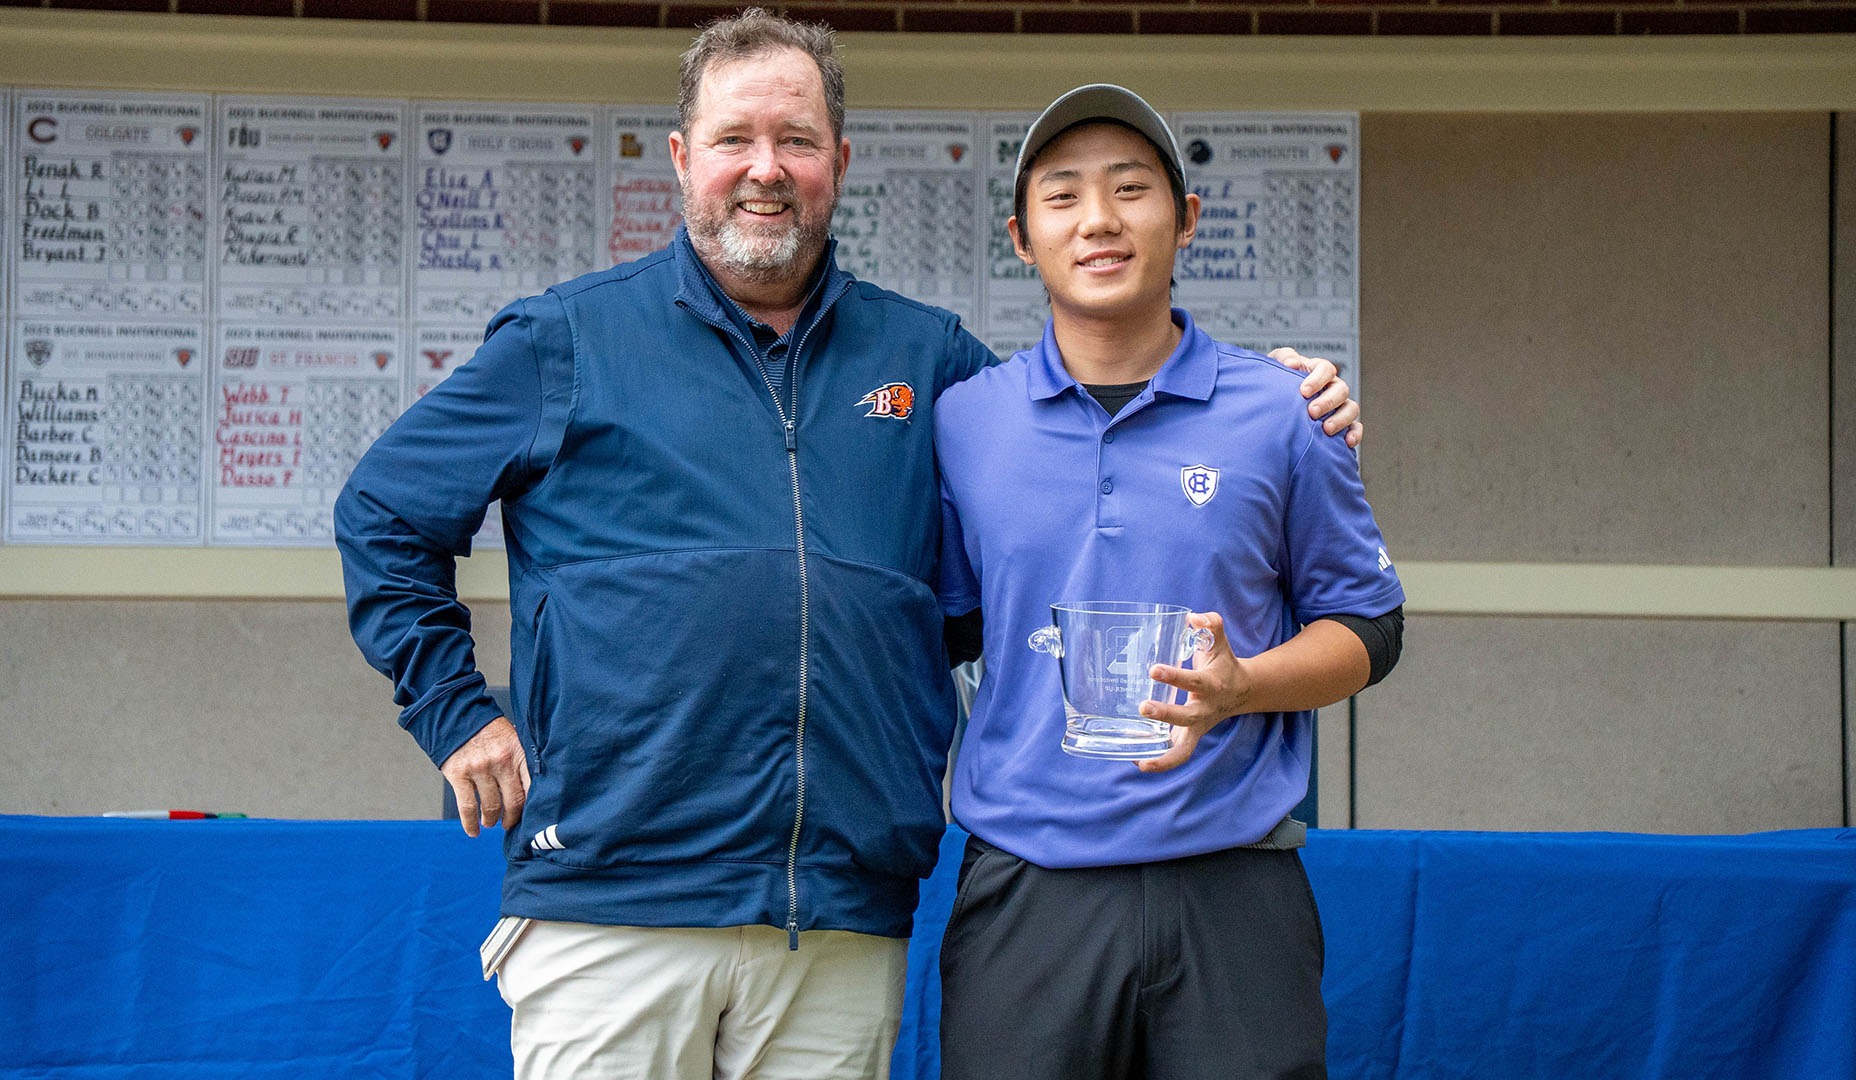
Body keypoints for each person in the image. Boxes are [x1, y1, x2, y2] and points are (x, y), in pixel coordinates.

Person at [335, 12, 1360, 1077]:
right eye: (735, 139)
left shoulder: (935, 363)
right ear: (684, 158)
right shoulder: (567, 341)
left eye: (798, 141)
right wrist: (455, 712)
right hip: (613, 905)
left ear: (840, 163)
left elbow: (1084, 442)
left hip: (835, 921)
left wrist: (1278, 395)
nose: (765, 170)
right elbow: (381, 512)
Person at [933, 84, 1407, 1080]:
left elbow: (1370, 627)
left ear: (1185, 221)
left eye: (1131, 189)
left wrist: (1245, 687)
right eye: (1061, 196)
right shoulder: (966, 422)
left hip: (1233, 887)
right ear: (1021, 237)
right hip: (1030, 890)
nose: (1098, 220)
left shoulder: (1283, 411)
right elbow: (946, 626)